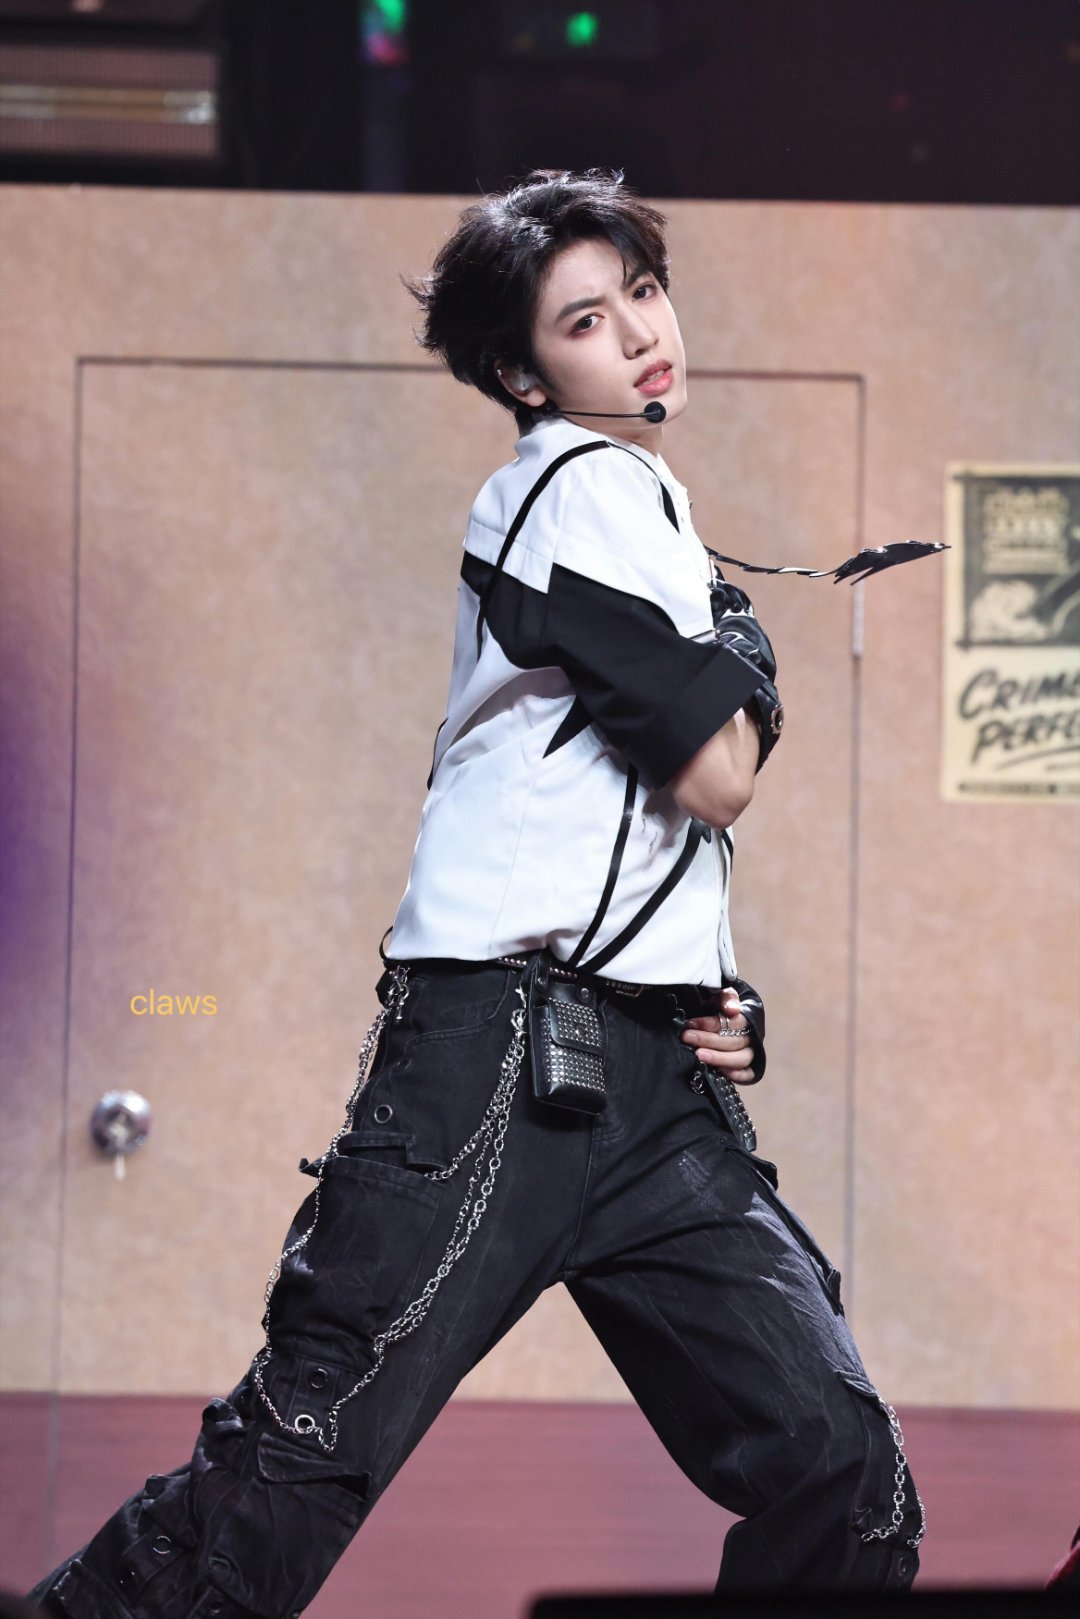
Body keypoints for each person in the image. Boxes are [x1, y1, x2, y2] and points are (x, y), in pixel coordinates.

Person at [28, 167, 924, 1619]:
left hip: (648, 1082)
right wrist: (752, 659)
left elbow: (609, 816)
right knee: (294, 1467)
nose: (641, 334)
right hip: (498, 1066)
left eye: (644, 291)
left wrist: (709, 987)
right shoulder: (569, 488)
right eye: (586, 320)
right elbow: (716, 773)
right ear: (522, 372)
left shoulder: (640, 502)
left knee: (844, 1474)